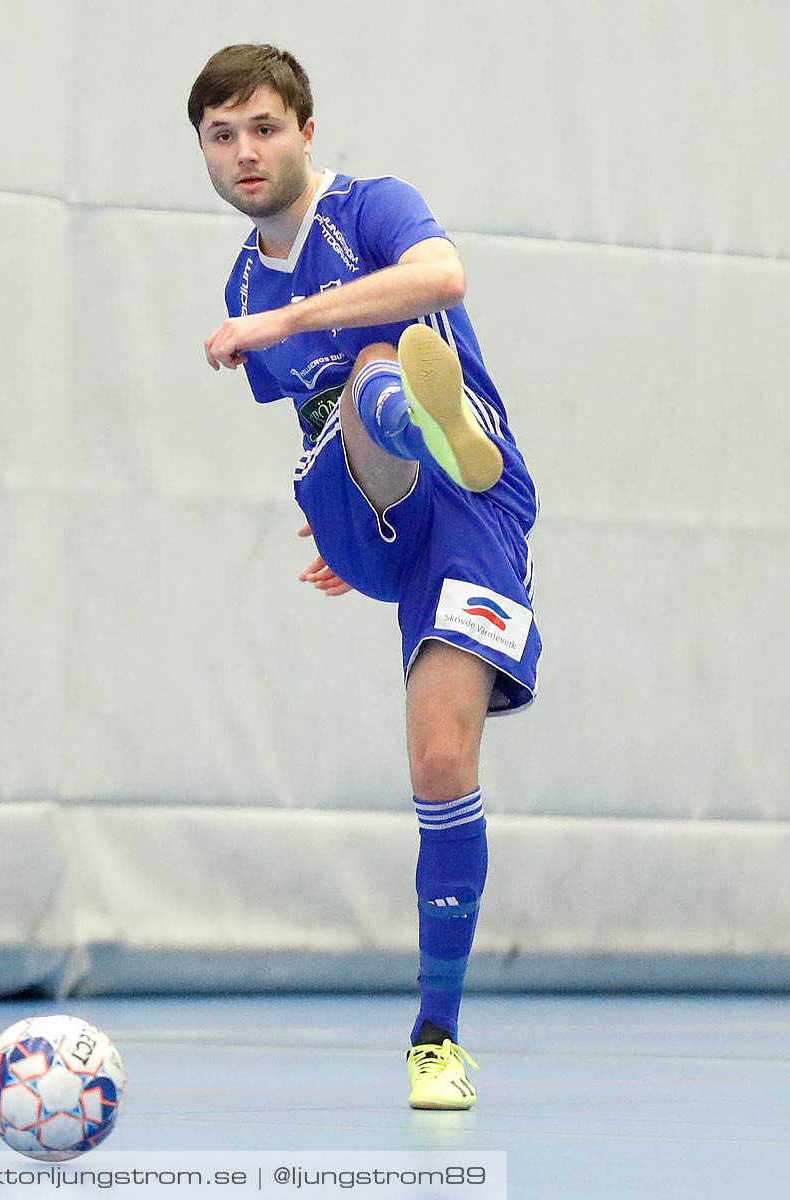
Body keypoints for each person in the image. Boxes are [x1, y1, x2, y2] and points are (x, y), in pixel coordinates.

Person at [187, 44, 540, 1110]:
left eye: (261, 127)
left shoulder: (367, 210)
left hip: (471, 509)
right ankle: (393, 441)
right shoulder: (242, 278)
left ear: (302, 129)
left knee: (439, 763)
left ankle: (435, 1038)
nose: (243, 152)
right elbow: (298, 420)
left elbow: (442, 278)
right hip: (359, 502)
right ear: (202, 150)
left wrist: (292, 321)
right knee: (361, 394)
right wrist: (344, 520)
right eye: (219, 135)